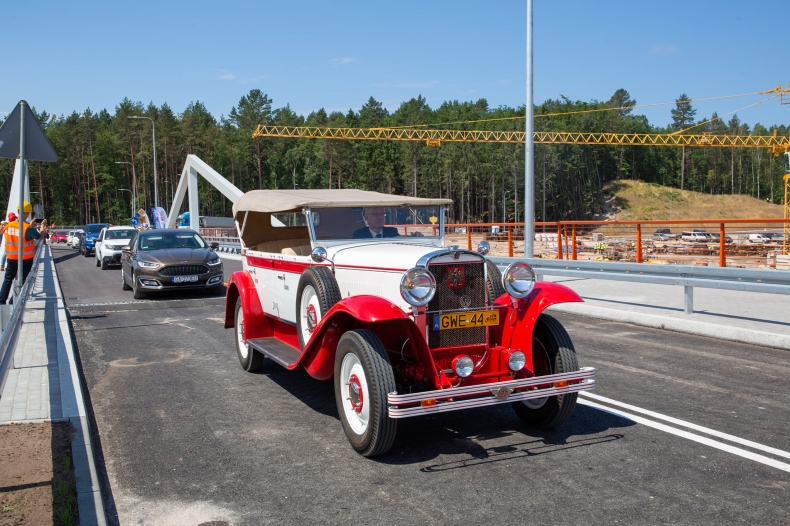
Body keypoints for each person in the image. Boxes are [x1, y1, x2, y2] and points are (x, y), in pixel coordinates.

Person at [0, 203, 40, 304]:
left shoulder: (9, 225)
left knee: (8, 280)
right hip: (25, 259)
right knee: (22, 281)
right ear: (26, 214)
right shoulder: (27, 228)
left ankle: (1, 301)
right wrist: (42, 228)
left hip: (11, 258)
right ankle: (13, 302)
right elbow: (39, 236)